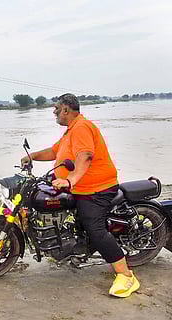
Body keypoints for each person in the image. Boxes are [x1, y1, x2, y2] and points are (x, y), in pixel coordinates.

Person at [20, 93, 139, 298]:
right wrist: (32, 156)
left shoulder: (82, 127)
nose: (54, 111)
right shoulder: (70, 131)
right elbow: (55, 152)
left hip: (97, 188)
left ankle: (126, 275)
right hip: (79, 187)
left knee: (95, 228)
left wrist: (70, 180)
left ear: (66, 109)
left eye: (56, 107)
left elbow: (85, 156)